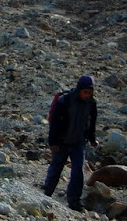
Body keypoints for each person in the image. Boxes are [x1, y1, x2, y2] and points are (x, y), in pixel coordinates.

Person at [44, 75, 98, 212]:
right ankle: (46, 195)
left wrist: (92, 139)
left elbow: (91, 124)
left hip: (79, 143)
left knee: (78, 171)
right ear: (80, 89)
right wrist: (53, 142)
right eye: (85, 92)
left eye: (90, 92)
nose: (87, 95)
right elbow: (55, 123)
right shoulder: (65, 100)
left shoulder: (92, 104)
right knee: (56, 168)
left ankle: (74, 201)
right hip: (61, 142)